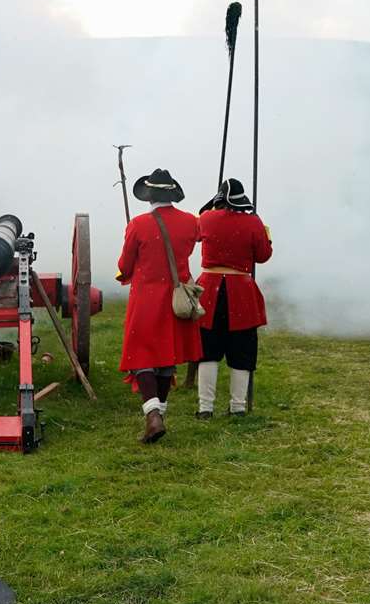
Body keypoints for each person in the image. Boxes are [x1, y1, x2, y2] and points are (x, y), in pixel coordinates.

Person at [116, 169, 202, 443]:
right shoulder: (190, 222)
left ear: (149, 196)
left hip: (146, 298)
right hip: (177, 298)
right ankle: (158, 414)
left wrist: (126, 274)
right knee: (166, 356)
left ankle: (153, 414)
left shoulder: (138, 224)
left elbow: (124, 265)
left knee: (142, 355)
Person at [194, 179, 272, 419]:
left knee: (207, 351)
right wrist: (264, 234)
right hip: (241, 291)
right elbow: (263, 256)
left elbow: (198, 231)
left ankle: (205, 408)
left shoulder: (207, 218)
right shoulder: (253, 222)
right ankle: (237, 407)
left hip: (209, 290)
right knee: (241, 350)